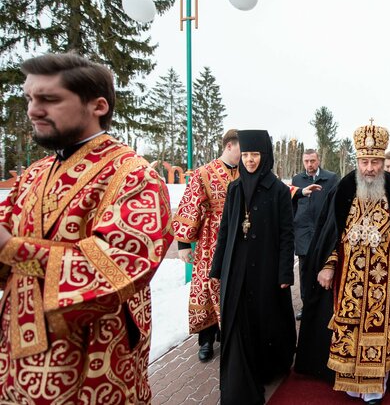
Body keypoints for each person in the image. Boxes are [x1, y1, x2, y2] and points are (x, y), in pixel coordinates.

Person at [0, 53, 173, 403]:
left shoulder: (134, 175)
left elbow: (121, 264)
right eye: (30, 99)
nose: (33, 110)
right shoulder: (32, 174)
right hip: (16, 352)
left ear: (97, 106)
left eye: (49, 99)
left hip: (91, 356)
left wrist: (13, 249)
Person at [295, 124, 390, 405]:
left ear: (382, 162)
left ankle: (375, 387)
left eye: (375, 162)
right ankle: (350, 382)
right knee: (347, 325)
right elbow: (332, 233)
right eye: (364, 162)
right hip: (348, 276)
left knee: (378, 326)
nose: (369, 168)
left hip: (382, 278)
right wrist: (327, 265)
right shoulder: (343, 190)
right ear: (357, 162)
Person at [210, 129, 296, 404]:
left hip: (266, 268)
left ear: (265, 156)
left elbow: (286, 234)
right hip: (236, 266)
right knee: (237, 318)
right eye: (245, 155)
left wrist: (285, 272)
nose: (249, 160)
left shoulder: (279, 190)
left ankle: (265, 367)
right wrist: (217, 267)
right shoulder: (234, 188)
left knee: (264, 319)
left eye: (254, 155)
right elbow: (225, 230)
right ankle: (241, 374)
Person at [173, 129, 241, 361]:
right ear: (230, 146)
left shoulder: (245, 172)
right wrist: (183, 244)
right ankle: (206, 340)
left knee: (233, 287)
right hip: (211, 239)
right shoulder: (204, 173)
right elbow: (190, 205)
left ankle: (227, 334)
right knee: (206, 287)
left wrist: (298, 192)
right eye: (242, 149)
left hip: (240, 238)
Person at [291, 149, 338, 320]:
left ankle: (325, 307)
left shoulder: (331, 178)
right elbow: (293, 204)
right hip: (303, 231)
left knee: (324, 268)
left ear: (318, 160)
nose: (309, 165)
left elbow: (335, 204)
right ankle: (307, 305)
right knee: (304, 271)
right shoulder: (297, 180)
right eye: (306, 161)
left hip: (322, 232)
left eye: (312, 161)